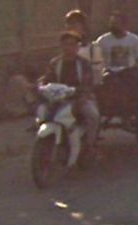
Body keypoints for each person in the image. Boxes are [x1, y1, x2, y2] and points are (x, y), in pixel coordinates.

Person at [40, 31, 100, 163]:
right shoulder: (55, 63)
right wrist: (42, 89)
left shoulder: (84, 64)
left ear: (77, 47)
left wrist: (82, 96)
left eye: (72, 44)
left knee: (93, 115)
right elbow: (47, 80)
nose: (68, 48)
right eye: (65, 44)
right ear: (61, 46)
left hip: (80, 98)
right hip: (58, 99)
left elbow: (88, 83)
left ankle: (90, 146)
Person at [64, 9, 104, 85]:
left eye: (74, 23)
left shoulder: (93, 48)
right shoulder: (64, 47)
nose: (70, 26)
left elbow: (97, 75)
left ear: (83, 26)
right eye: (68, 23)